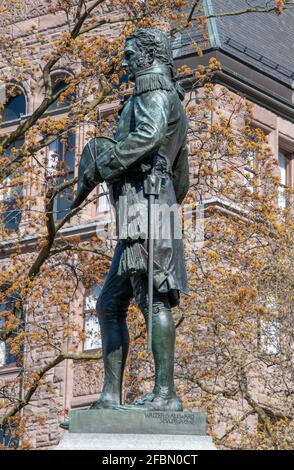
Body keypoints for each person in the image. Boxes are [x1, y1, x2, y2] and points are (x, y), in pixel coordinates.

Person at [72, 28, 190, 412]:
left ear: (148, 54)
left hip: (147, 208)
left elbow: (149, 135)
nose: (123, 61)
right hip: (150, 206)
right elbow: (182, 176)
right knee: (109, 303)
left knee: (153, 301)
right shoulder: (170, 97)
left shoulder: (152, 92)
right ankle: (110, 395)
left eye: (129, 54)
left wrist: (106, 164)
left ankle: (165, 395)